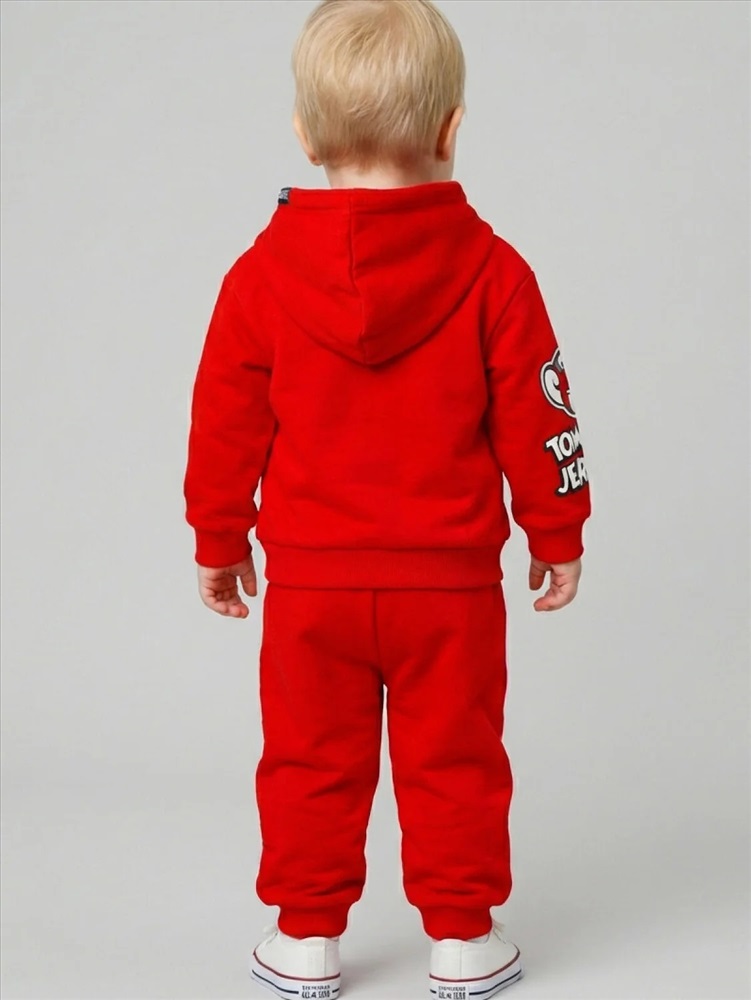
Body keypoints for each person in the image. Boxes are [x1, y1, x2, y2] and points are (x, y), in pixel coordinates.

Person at [183, 1, 591, 997]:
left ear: (303, 134)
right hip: (448, 589)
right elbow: (539, 414)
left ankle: (304, 937)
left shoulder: (259, 277)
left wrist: (219, 537)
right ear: (451, 128)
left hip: (310, 588)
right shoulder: (496, 274)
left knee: (307, 759)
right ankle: (462, 938)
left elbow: (223, 421)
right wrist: (557, 528)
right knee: (456, 759)